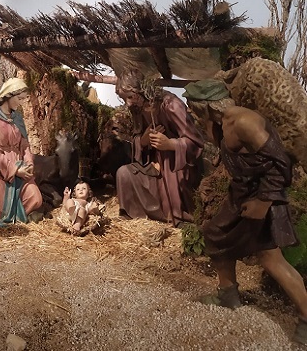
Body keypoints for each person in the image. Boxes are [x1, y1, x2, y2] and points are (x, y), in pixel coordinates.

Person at [183, 79, 307, 345]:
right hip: (240, 195)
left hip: (264, 198)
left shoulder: (245, 122)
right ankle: (227, 294)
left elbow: (280, 164)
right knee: (215, 235)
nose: (191, 111)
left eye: (193, 106)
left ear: (206, 105)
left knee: (270, 259)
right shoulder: (219, 123)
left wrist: (263, 203)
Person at [115, 69, 204, 226]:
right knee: (123, 173)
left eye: (130, 97)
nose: (128, 103)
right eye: (124, 99)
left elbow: (195, 143)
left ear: (140, 89)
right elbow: (137, 139)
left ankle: (175, 216)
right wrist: (142, 141)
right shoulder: (137, 110)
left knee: (172, 180)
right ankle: (137, 215)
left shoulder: (171, 105)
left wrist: (170, 144)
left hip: (176, 166)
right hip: (153, 166)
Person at [0, 77, 43, 226]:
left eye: (23, 99)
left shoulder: (17, 118)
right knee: (2, 211)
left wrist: (29, 163)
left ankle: (20, 219)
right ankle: (14, 220)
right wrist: (14, 170)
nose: (21, 103)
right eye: (19, 98)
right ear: (8, 95)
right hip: (0, 170)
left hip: (21, 166)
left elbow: (24, 145)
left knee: (35, 198)